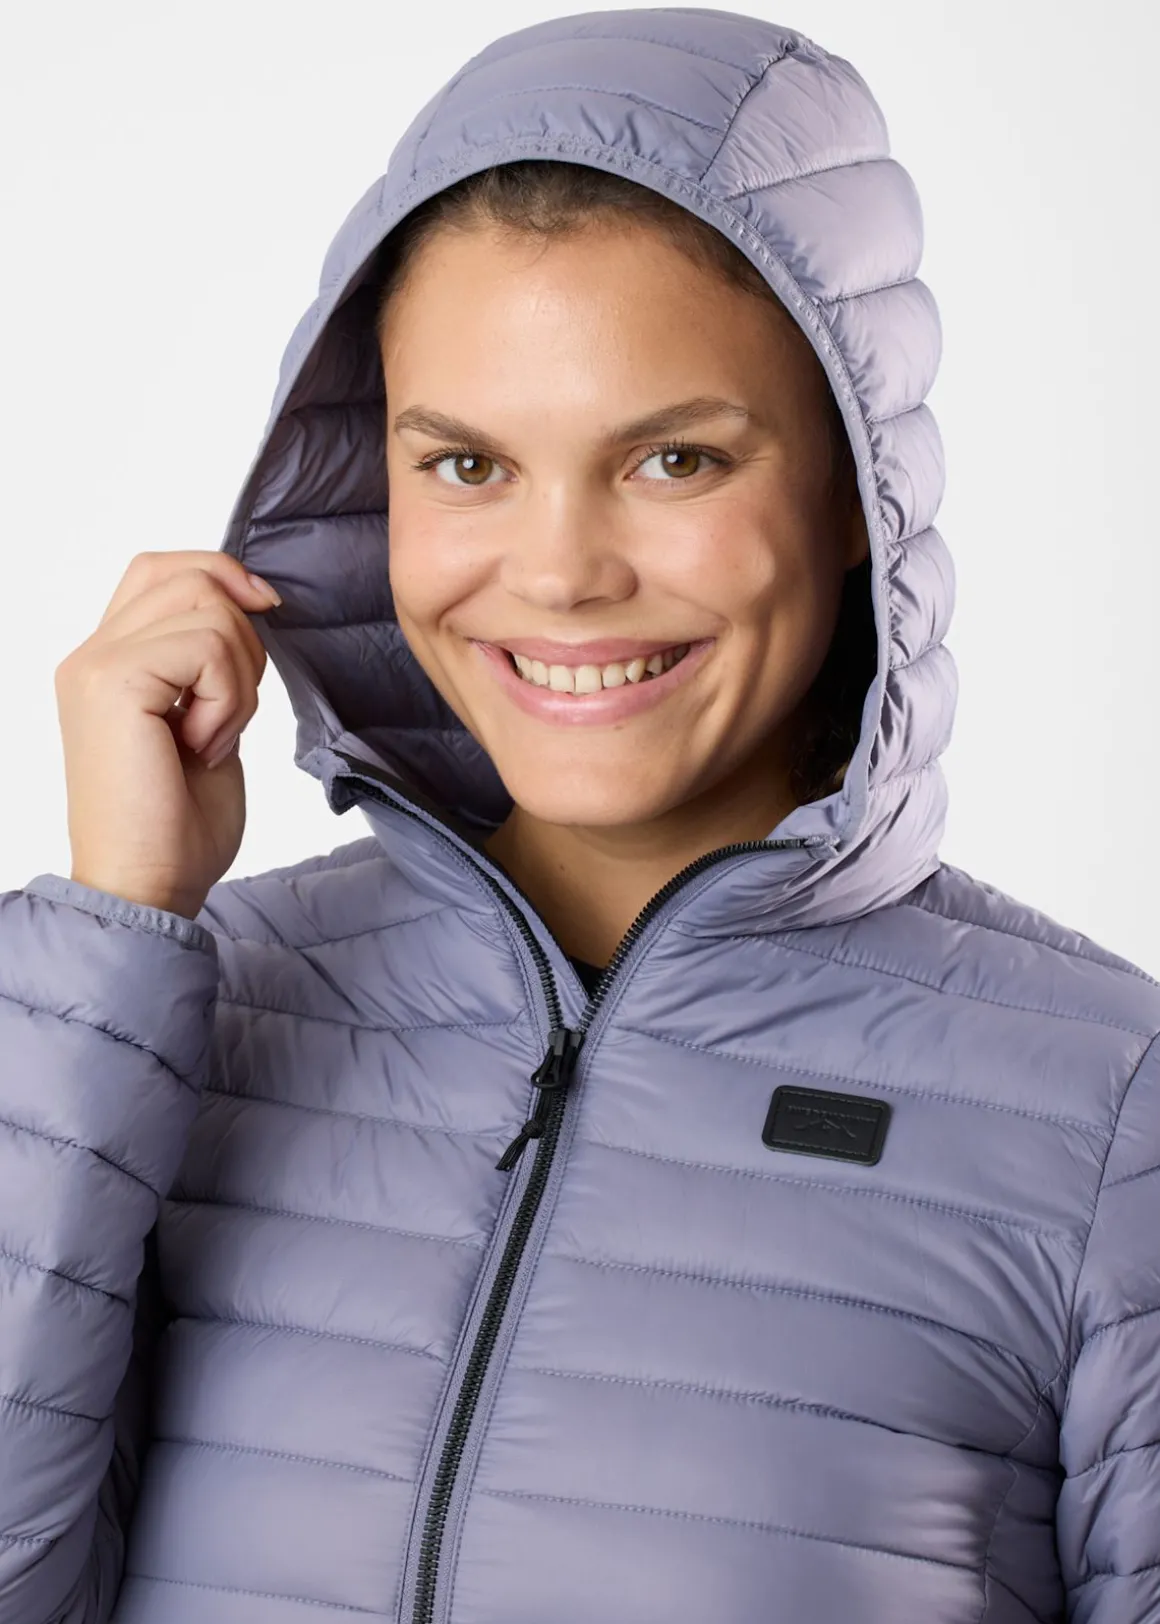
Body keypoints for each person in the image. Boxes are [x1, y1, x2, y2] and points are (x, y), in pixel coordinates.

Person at [2, 9, 1158, 1622]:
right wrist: (113, 941)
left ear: (856, 492)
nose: (558, 575)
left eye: (674, 460)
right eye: (467, 465)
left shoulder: (1110, 1117)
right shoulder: (164, 1022)